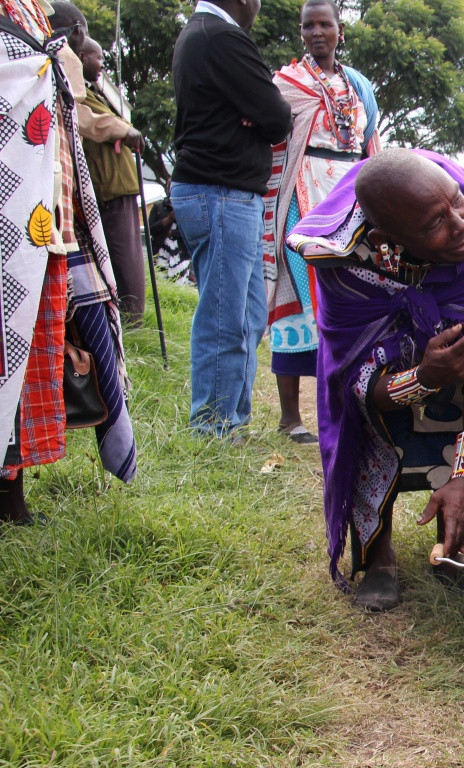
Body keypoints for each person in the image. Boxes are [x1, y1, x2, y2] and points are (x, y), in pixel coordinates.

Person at [287, 148, 464, 611]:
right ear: (387, 238)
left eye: (457, 202)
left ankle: (448, 541)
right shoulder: (340, 260)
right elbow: (353, 379)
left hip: (444, 354)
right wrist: (422, 377)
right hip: (383, 372)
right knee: (367, 411)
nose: (460, 225)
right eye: (436, 223)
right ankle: (378, 555)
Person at [0, 0, 137, 524]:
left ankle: (12, 494)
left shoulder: (31, 9)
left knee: (28, 351)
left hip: (45, 215)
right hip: (18, 201)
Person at [171, 0, 291, 439]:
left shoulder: (200, 34)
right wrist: (259, 116)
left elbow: (268, 115)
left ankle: (231, 418)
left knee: (248, 315)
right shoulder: (220, 37)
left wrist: (255, 116)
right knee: (224, 317)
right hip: (218, 191)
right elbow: (278, 117)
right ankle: (213, 426)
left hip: (226, 192)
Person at [261, 0, 380, 445]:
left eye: (324, 24)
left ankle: (351, 406)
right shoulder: (286, 83)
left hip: (349, 198)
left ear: (339, 30)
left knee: (350, 297)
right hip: (301, 199)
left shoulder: (359, 86)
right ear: (301, 32)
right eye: (308, 25)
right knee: (300, 294)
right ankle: (290, 416)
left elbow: (371, 144)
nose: (316, 31)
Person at [78, 38, 148, 327]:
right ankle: (127, 324)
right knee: (122, 262)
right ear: (80, 56)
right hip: (107, 188)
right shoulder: (75, 89)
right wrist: (122, 129)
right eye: (96, 58)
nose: (102, 64)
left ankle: (133, 324)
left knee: (129, 261)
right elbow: (88, 121)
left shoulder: (95, 90)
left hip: (118, 186)